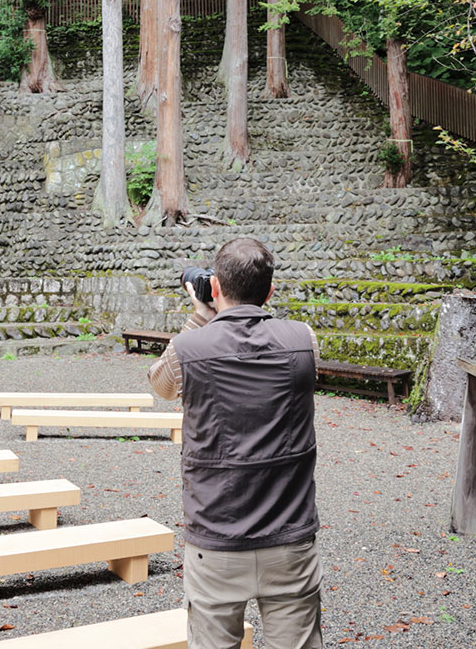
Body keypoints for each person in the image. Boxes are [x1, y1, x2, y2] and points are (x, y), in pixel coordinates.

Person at [148, 237, 323, 649]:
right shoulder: (304, 341)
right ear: (270, 291)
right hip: (289, 537)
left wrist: (200, 318)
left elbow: (161, 386)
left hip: (216, 538)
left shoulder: (186, 349)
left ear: (215, 286)